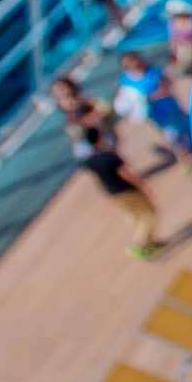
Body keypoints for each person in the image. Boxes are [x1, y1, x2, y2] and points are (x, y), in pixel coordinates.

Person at [52, 74, 160, 256]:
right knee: (122, 180)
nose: (62, 95)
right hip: (99, 154)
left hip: (99, 152)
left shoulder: (82, 105)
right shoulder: (76, 115)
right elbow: (90, 120)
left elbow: (103, 111)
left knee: (116, 185)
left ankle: (145, 237)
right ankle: (141, 241)